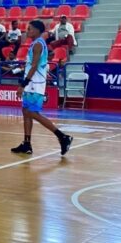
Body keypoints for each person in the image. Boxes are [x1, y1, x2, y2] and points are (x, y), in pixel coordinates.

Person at [11, 20, 73, 156]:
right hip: (32, 82)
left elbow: (34, 66)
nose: (28, 31)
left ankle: (63, 137)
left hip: (35, 83)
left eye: (30, 29)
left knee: (32, 113)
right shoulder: (35, 43)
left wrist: (23, 84)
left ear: (38, 31)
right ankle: (27, 144)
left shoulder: (38, 44)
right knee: (25, 111)